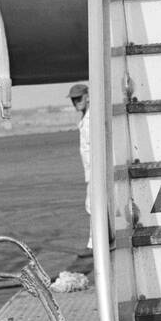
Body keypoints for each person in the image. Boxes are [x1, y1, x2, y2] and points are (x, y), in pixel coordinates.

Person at [68, 82, 92, 254]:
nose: (76, 102)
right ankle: (94, 243)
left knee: (93, 206)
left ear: (88, 96)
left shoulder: (91, 120)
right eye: (74, 100)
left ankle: (94, 244)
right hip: (91, 172)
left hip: (96, 173)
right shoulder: (85, 119)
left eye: (79, 98)